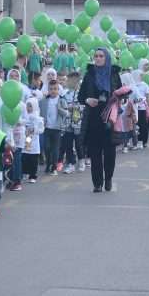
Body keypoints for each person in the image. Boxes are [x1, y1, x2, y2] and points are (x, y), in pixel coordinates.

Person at [79, 48, 122, 192]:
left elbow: (122, 92)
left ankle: (108, 177)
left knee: (110, 153)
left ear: (107, 58)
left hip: (110, 118)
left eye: (101, 56)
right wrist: (87, 99)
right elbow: (80, 96)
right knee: (95, 153)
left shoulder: (114, 74)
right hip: (93, 118)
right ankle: (97, 183)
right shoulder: (89, 75)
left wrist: (117, 98)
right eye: (96, 56)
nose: (98, 59)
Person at [59, 71, 84, 174]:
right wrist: (66, 110)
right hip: (67, 122)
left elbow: (85, 106)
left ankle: (81, 161)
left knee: (78, 143)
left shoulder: (82, 93)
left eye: (75, 80)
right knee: (68, 143)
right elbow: (60, 107)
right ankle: (71, 163)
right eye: (70, 80)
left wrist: (76, 107)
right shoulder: (64, 94)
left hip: (78, 122)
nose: (72, 82)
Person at [40, 80, 66, 174]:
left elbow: (66, 113)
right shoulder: (44, 101)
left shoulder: (62, 100)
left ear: (58, 89)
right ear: (48, 90)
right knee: (46, 147)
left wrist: (60, 109)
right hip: (47, 127)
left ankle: (54, 167)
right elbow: (40, 112)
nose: (53, 91)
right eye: (51, 89)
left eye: (55, 89)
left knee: (55, 148)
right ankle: (48, 164)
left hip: (57, 128)